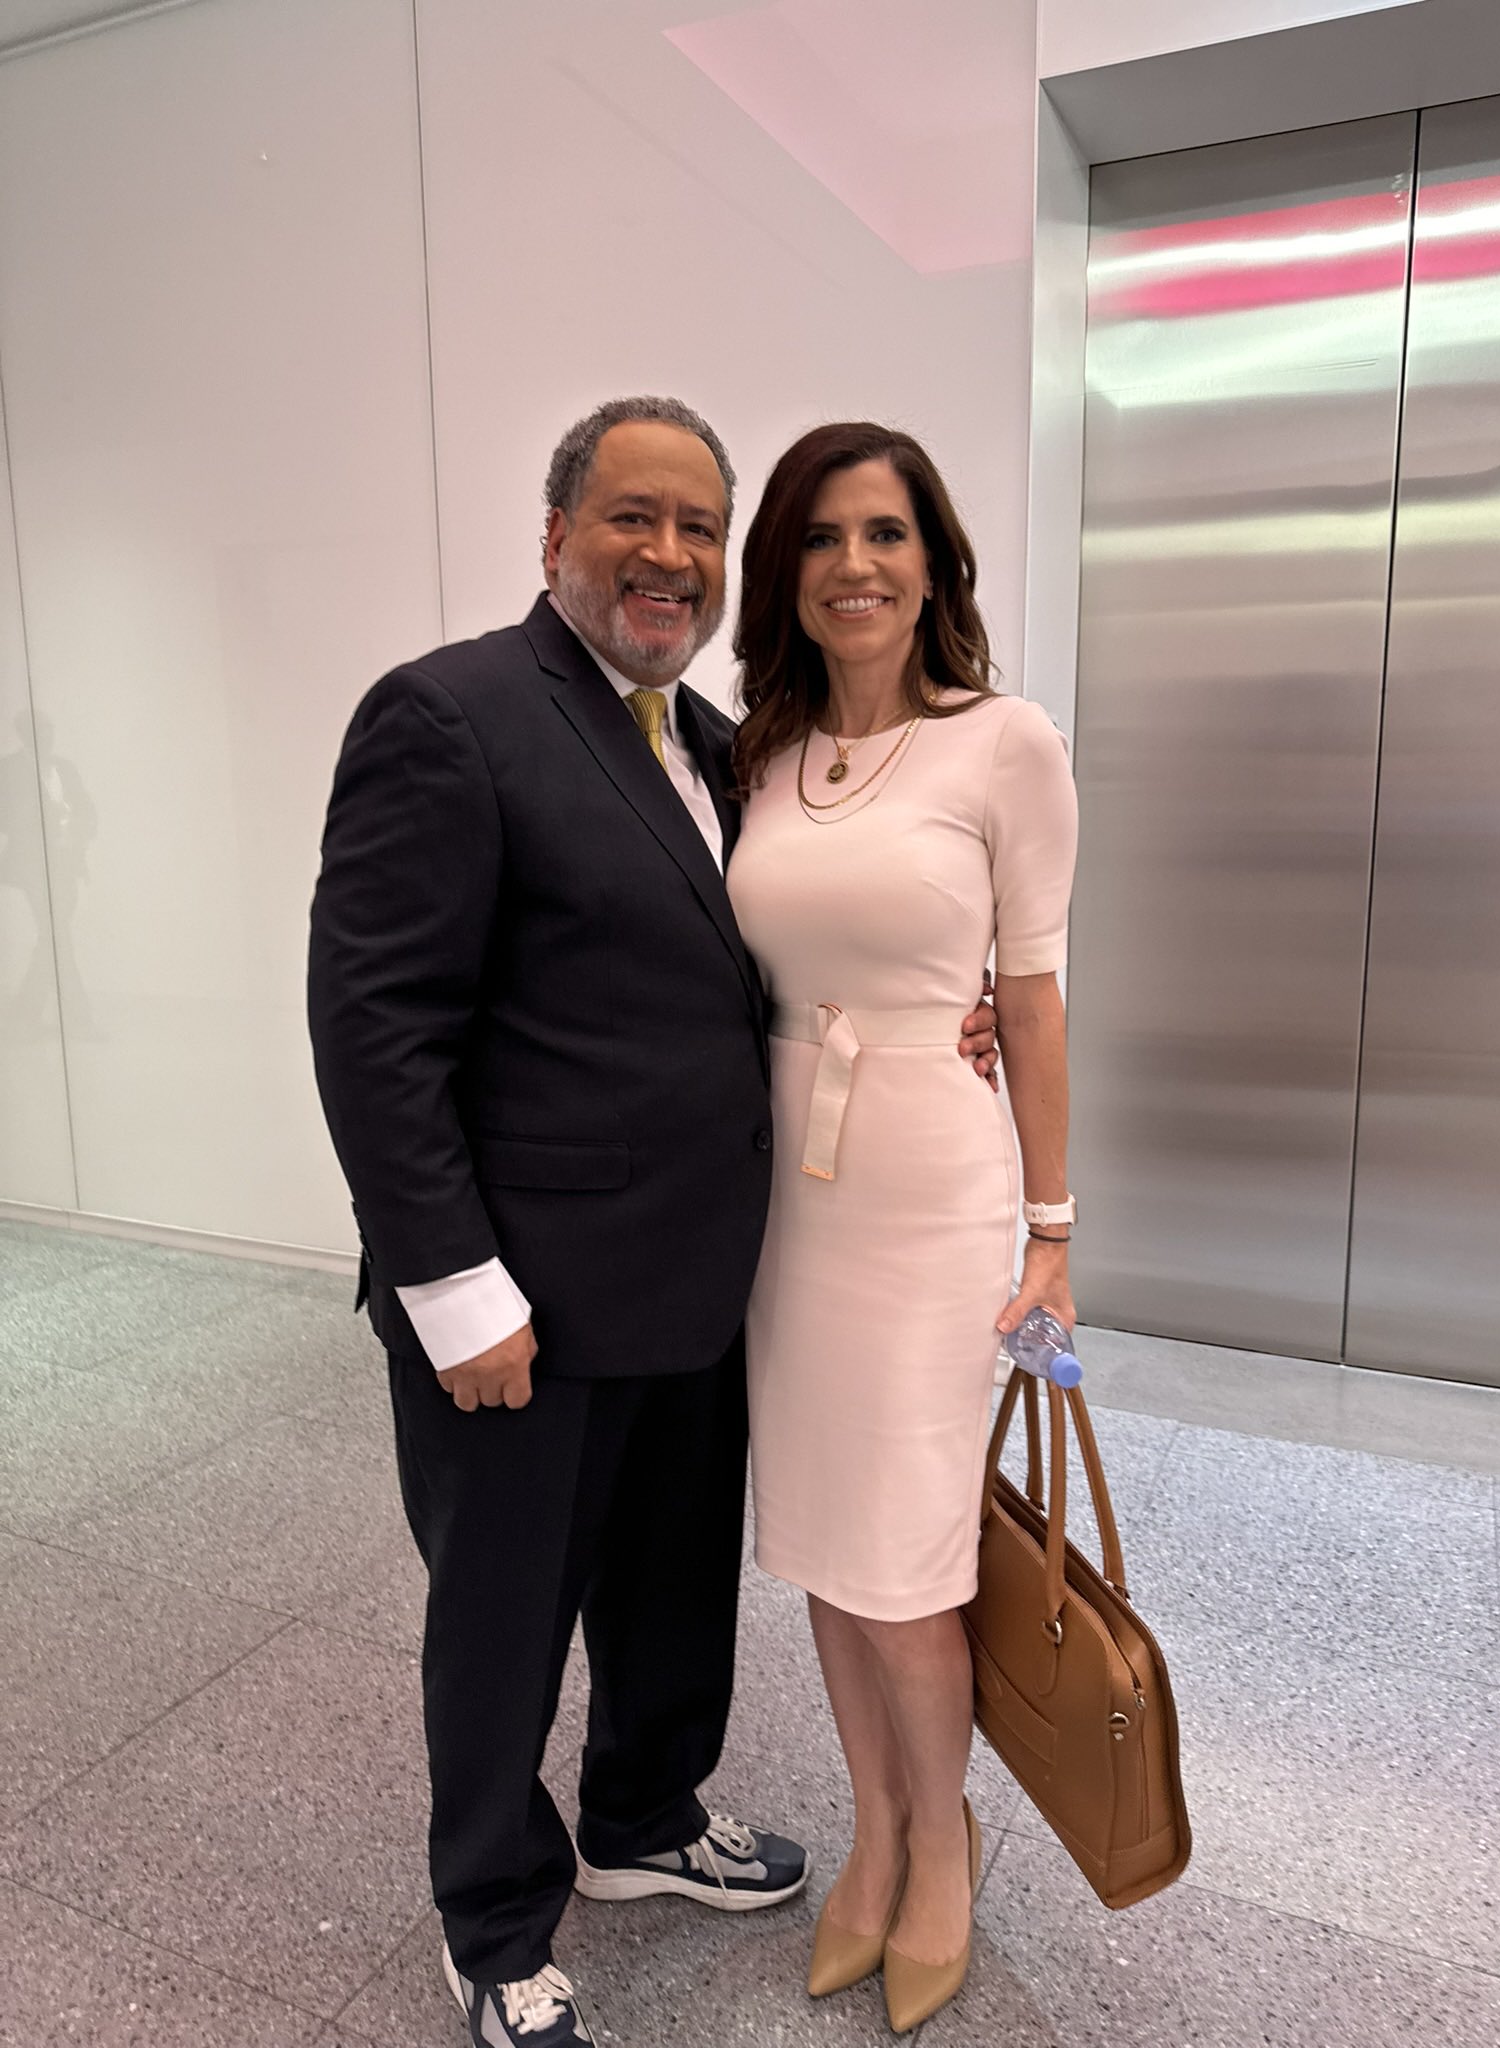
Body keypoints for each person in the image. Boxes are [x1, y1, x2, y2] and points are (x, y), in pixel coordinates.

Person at [306, 396, 997, 2048]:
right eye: (632, 516)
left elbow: (773, 957)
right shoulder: (452, 714)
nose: (667, 553)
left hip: (703, 1280)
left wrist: (944, 1006)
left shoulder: (705, 739)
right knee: (503, 1616)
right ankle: (489, 1916)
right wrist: (453, 1292)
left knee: (671, 1591)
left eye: (698, 523)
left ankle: (641, 1816)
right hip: (522, 1302)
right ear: (556, 536)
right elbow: (374, 1025)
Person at [726, 423, 1079, 2033]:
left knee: (912, 1561)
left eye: (884, 533)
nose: (853, 565)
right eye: (818, 538)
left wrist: (1054, 1231)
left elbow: (1032, 993)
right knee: (818, 1536)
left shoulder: (1003, 741)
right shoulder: (760, 755)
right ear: (782, 574)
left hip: (932, 1184)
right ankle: (871, 1828)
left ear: (933, 558)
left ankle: (948, 1840)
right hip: (783, 1188)